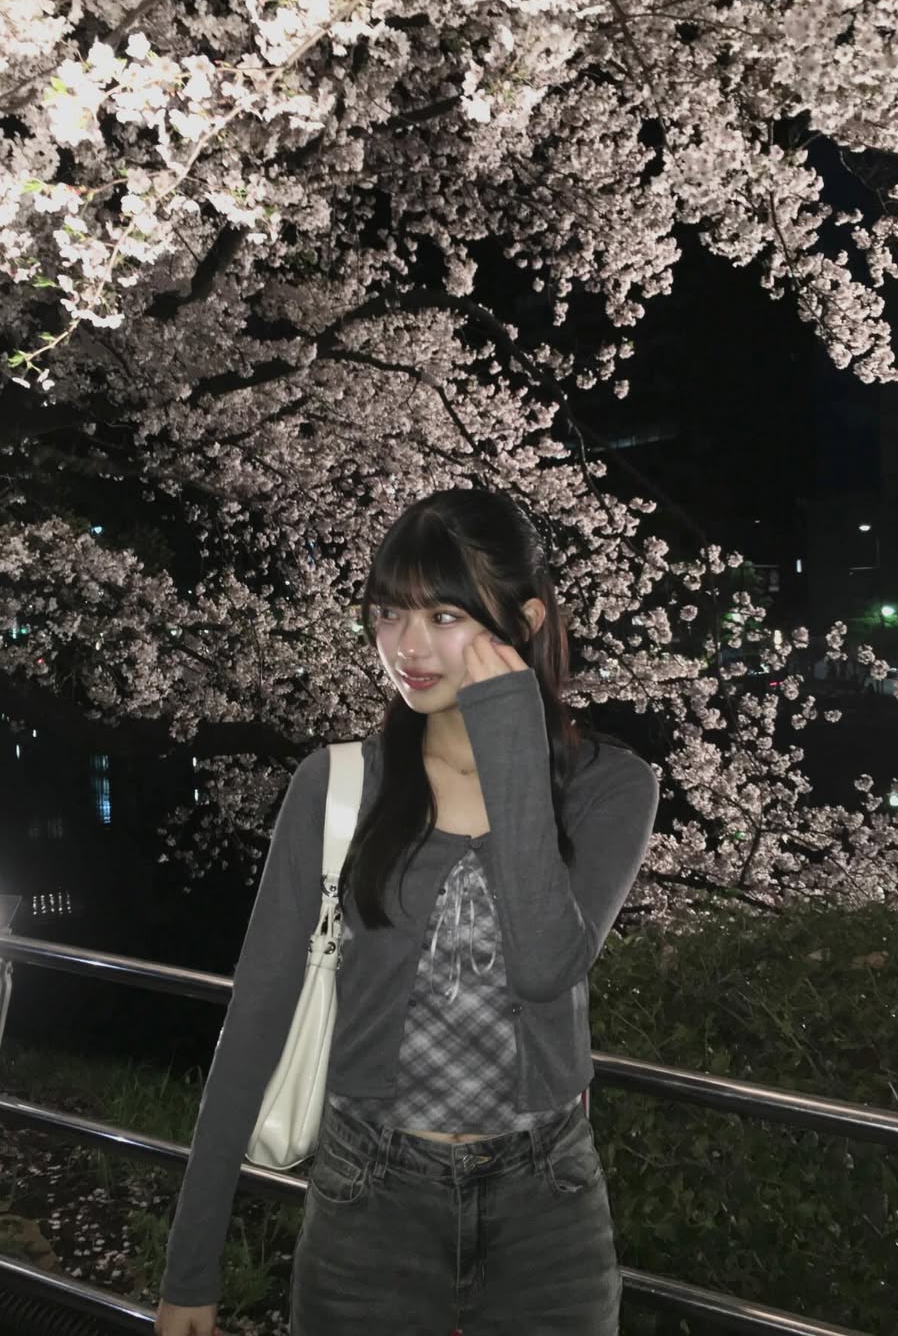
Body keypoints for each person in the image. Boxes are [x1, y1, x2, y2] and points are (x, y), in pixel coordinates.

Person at [154, 487, 660, 1336]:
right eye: (388, 612)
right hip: (369, 1197)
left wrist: (508, 732)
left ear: (525, 621)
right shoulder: (338, 785)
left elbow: (545, 964)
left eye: (444, 616)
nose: (407, 646)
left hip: (547, 1202)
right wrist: (190, 1263)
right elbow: (258, 1013)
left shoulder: (611, 787)